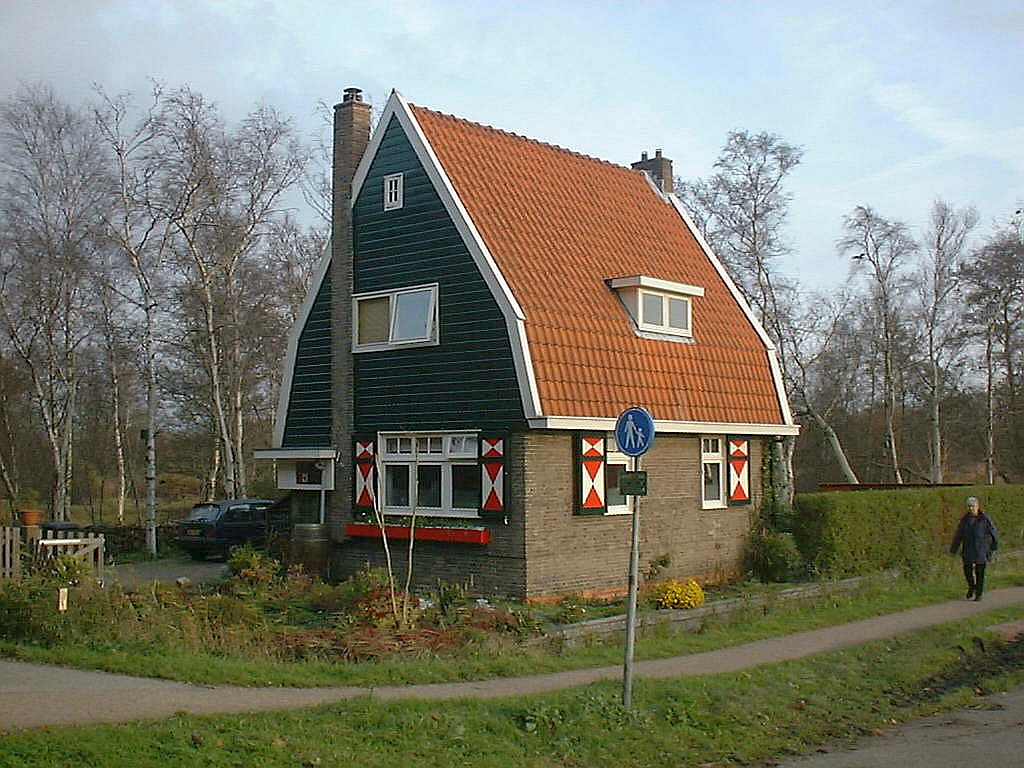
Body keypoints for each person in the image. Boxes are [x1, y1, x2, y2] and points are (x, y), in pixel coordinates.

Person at [950, 496, 999, 601]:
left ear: (977, 506)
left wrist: (993, 548)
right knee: (967, 570)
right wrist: (954, 548)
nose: (971, 508)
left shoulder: (984, 519)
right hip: (968, 548)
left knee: (980, 572)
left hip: (981, 549)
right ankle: (972, 586)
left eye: (973, 506)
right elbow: (959, 534)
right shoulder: (965, 520)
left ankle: (979, 593)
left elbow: (993, 533)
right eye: (969, 506)